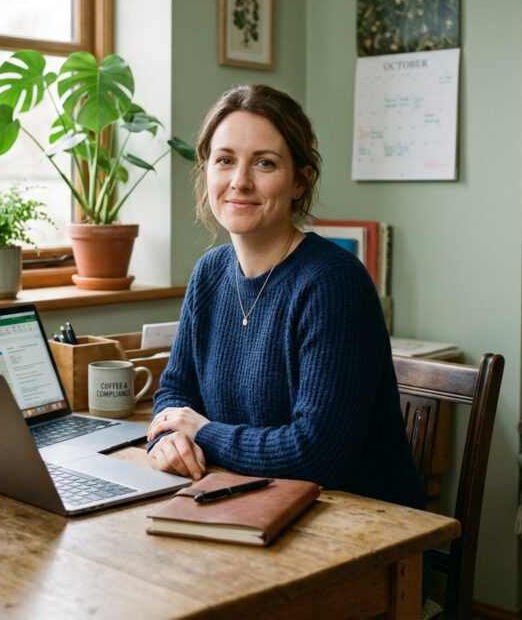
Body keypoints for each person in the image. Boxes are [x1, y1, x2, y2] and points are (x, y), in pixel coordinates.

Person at [146, 84, 424, 511]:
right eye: (225, 161)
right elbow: (175, 394)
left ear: (299, 181)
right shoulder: (210, 273)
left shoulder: (334, 284)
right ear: (207, 172)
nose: (240, 181)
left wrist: (201, 433)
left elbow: (317, 455)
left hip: (354, 529)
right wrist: (168, 440)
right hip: (246, 503)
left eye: (265, 163)